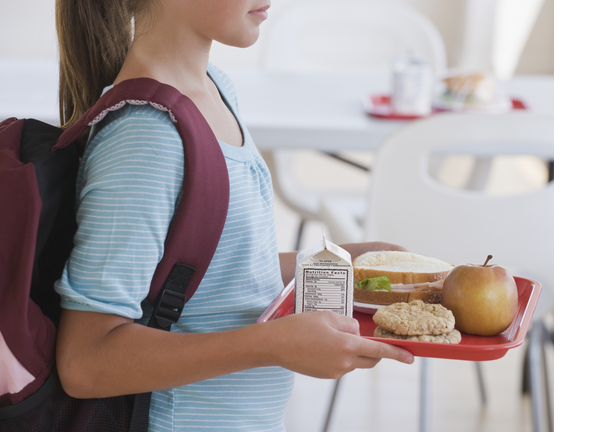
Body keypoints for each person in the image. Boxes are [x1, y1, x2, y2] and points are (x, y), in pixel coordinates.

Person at [53, 0, 415, 430]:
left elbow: (217, 276)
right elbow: (85, 362)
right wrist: (270, 345)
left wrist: (334, 265)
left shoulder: (213, 89)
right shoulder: (146, 135)